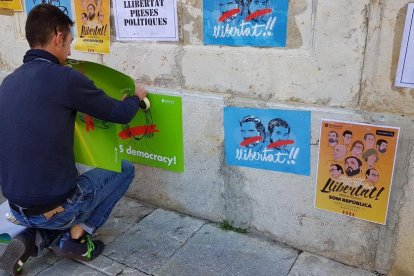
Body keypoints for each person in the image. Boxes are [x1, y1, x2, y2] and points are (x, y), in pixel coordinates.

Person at [0, 4, 147, 275]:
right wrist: (136, 97)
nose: (69, 51)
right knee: (124, 170)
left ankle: (36, 237)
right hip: (59, 207)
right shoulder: (65, 78)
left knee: (55, 183)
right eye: (69, 42)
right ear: (57, 37)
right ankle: (77, 236)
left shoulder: (9, 82)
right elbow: (119, 113)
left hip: (15, 206)